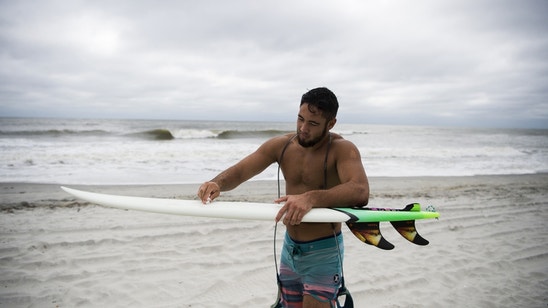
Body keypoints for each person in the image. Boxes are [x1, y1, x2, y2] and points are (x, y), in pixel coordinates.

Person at [197, 87, 369, 308]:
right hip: (290, 250)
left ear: (331, 123)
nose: (303, 128)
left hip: (324, 251)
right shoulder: (282, 146)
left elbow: (360, 190)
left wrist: (311, 198)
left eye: (313, 124)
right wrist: (217, 183)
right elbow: (241, 171)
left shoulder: (342, 149)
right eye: (300, 119)